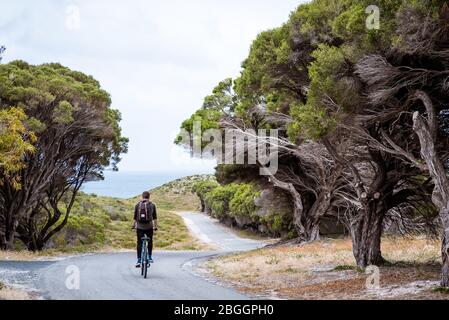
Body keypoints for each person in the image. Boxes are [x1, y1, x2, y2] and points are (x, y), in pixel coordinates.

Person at [133, 191, 158, 268]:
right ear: (149, 197)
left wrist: (133, 226)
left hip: (140, 227)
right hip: (149, 227)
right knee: (150, 241)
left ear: (142, 196)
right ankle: (149, 257)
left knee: (139, 243)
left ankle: (139, 259)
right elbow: (154, 218)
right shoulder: (152, 205)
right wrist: (155, 227)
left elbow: (135, 218)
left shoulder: (137, 205)